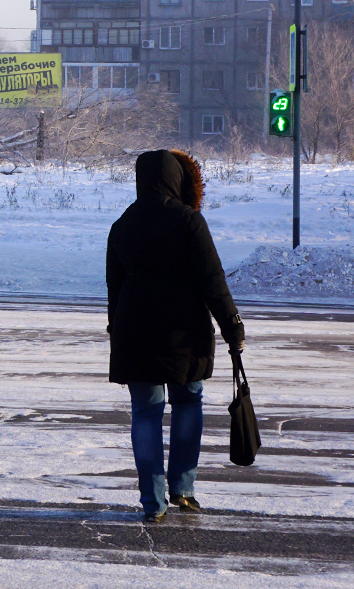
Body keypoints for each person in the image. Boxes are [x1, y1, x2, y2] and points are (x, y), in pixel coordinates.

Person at [106, 149, 244, 523]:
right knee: (188, 402)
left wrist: (114, 332)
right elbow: (212, 281)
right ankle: (183, 487)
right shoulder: (188, 222)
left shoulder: (122, 225)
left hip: (134, 332)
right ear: (175, 179)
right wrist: (232, 325)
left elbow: (114, 290)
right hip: (184, 333)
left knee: (145, 413)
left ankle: (153, 502)